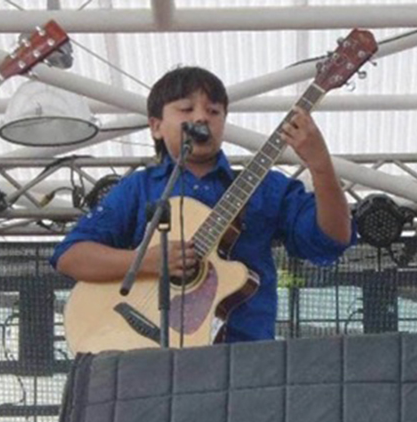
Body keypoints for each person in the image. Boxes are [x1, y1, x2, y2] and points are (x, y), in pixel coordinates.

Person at [52, 66, 354, 342]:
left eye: (214, 111)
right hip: (144, 361)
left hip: (246, 358)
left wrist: (321, 166)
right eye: (186, 108)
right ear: (156, 126)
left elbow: (332, 240)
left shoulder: (265, 187)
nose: (201, 117)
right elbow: (71, 256)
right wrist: (147, 262)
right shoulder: (138, 187)